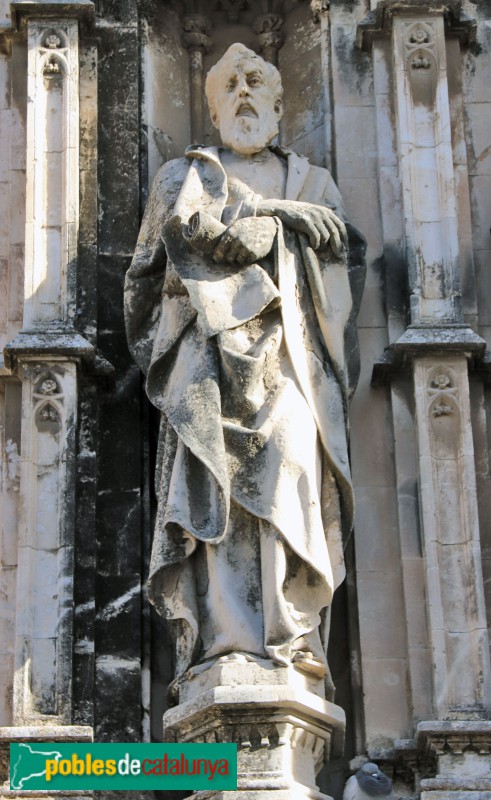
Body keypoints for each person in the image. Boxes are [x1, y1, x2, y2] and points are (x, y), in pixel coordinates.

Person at [124, 43, 366, 700]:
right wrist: (273, 216)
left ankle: (290, 638)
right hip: (205, 367)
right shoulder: (185, 176)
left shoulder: (314, 183)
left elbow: (343, 261)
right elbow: (158, 261)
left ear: (280, 105)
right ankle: (224, 644)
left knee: (290, 470)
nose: (243, 95)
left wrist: (281, 224)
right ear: (212, 109)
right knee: (214, 492)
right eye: (228, 86)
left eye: (255, 83)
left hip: (289, 366)